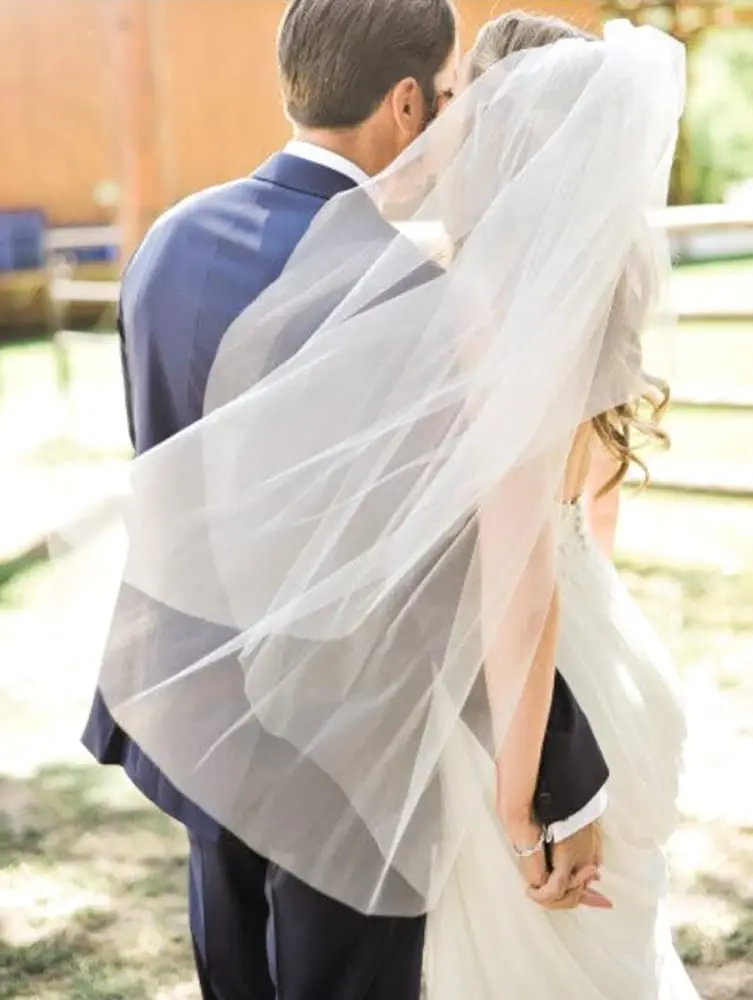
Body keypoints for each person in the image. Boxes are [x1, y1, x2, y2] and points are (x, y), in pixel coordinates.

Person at [81, 3, 611, 999]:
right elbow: (465, 567)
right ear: (406, 102)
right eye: (450, 93)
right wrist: (560, 782)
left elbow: (162, 468)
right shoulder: (414, 294)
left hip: (195, 708)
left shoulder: (164, 245)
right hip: (345, 757)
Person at [420, 13, 695, 998]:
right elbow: (594, 520)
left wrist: (520, 795)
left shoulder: (487, 296)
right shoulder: (607, 270)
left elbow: (523, 574)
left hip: (535, 698)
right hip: (610, 655)